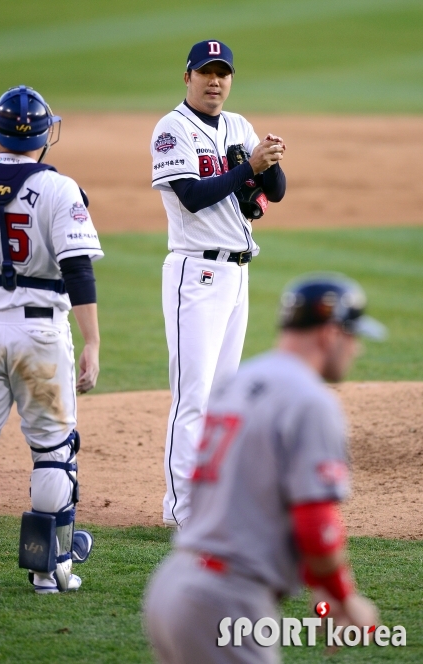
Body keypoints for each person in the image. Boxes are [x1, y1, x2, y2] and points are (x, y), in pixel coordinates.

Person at [144, 272, 387, 663]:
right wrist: (343, 595)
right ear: (329, 334)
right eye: (352, 335)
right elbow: (315, 520)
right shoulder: (310, 400)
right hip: (225, 598)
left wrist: (316, 584)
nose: (356, 348)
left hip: (174, 582)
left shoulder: (240, 382)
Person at [0, 85, 103, 598]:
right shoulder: (60, 190)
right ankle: (49, 569)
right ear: (45, 135)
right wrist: (93, 343)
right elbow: (78, 270)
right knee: (53, 451)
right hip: (40, 335)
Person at [150, 39, 287, 529]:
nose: (215, 81)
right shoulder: (172, 129)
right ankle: (182, 510)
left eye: (222, 73)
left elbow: (275, 192)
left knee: (223, 395)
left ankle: (215, 499)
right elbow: (191, 196)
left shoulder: (239, 125)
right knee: (194, 396)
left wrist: (269, 161)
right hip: (196, 274)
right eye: (205, 72)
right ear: (186, 77)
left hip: (236, 273)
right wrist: (246, 167)